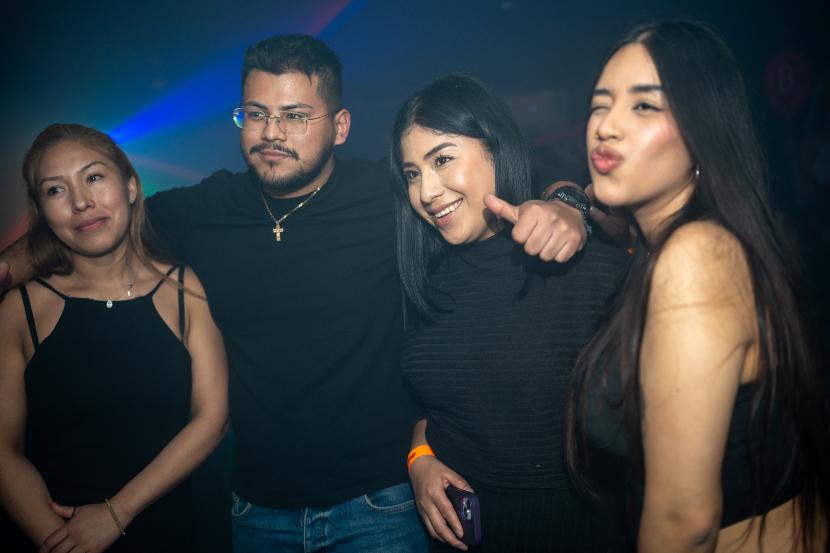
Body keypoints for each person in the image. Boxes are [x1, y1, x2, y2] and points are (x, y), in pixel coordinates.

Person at [0, 35, 592, 552]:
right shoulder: (205, 208)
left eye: (295, 116)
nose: (271, 133)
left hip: (382, 506)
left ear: (340, 127)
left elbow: (530, 186)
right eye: (256, 114)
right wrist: (8, 267)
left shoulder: (395, 194)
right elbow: (97, 222)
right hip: (256, 511)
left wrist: (569, 206)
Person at [566, 21, 830, 552]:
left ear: (703, 127)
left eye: (644, 105)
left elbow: (684, 521)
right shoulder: (682, 246)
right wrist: (565, 202)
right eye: (600, 104)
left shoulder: (696, 256)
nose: (607, 126)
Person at [391, 74, 630, 552]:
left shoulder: (581, 264)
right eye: (412, 173)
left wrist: (575, 205)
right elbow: (428, 404)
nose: (427, 192)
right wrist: (419, 459)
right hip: (462, 538)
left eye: (442, 159)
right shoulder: (422, 280)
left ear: (496, 148)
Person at [0, 123, 229, 552]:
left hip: (166, 535)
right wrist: (62, 543)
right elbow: (2, 450)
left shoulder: (184, 290)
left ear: (130, 187)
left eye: (93, 177)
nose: (80, 202)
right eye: (55, 190)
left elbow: (212, 420)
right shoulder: (20, 310)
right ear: (42, 212)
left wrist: (115, 514)